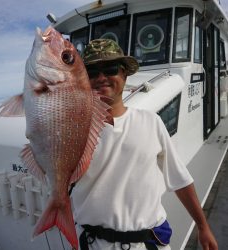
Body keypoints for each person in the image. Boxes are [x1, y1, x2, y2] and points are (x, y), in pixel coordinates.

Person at [71, 39, 218, 250]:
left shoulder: (151, 121)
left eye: (111, 69)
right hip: (94, 244)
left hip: (148, 244)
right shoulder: (73, 131)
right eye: (92, 73)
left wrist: (203, 226)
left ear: (124, 74)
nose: (101, 78)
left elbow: (180, 179)